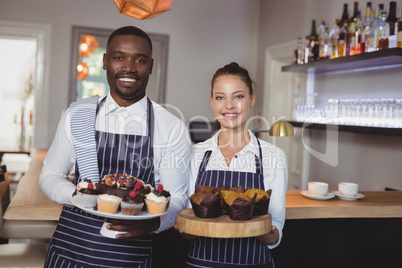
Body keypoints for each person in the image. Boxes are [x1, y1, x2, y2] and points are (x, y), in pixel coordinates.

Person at [39, 26, 191, 268]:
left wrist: (152, 224)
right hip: (71, 251)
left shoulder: (171, 127)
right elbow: (50, 175)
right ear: (105, 61)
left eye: (139, 60)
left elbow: (178, 196)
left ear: (151, 66)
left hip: (130, 257)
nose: (129, 68)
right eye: (119, 57)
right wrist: (79, 196)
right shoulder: (78, 114)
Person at [184, 62, 288, 267]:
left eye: (238, 96)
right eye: (220, 97)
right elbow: (189, 226)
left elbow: (274, 235)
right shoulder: (196, 154)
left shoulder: (273, 156)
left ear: (252, 99)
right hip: (202, 262)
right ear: (212, 102)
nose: (229, 105)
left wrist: (261, 228)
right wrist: (183, 226)